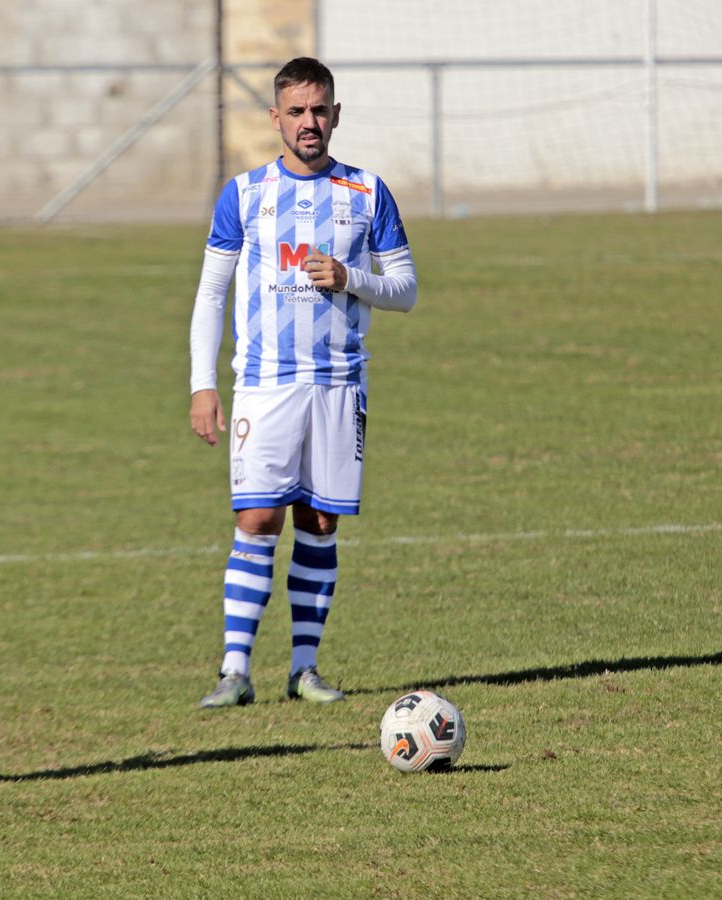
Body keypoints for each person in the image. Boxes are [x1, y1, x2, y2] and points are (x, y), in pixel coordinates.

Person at [188, 57, 418, 708]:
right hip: (265, 383)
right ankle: (234, 670)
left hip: (340, 383)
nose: (308, 122)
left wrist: (352, 280)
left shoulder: (368, 193)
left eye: (319, 110)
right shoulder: (245, 193)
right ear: (276, 119)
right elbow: (211, 293)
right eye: (296, 111)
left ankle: (305, 670)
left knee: (318, 521)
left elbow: (405, 290)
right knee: (257, 516)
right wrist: (202, 383)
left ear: (336, 114)